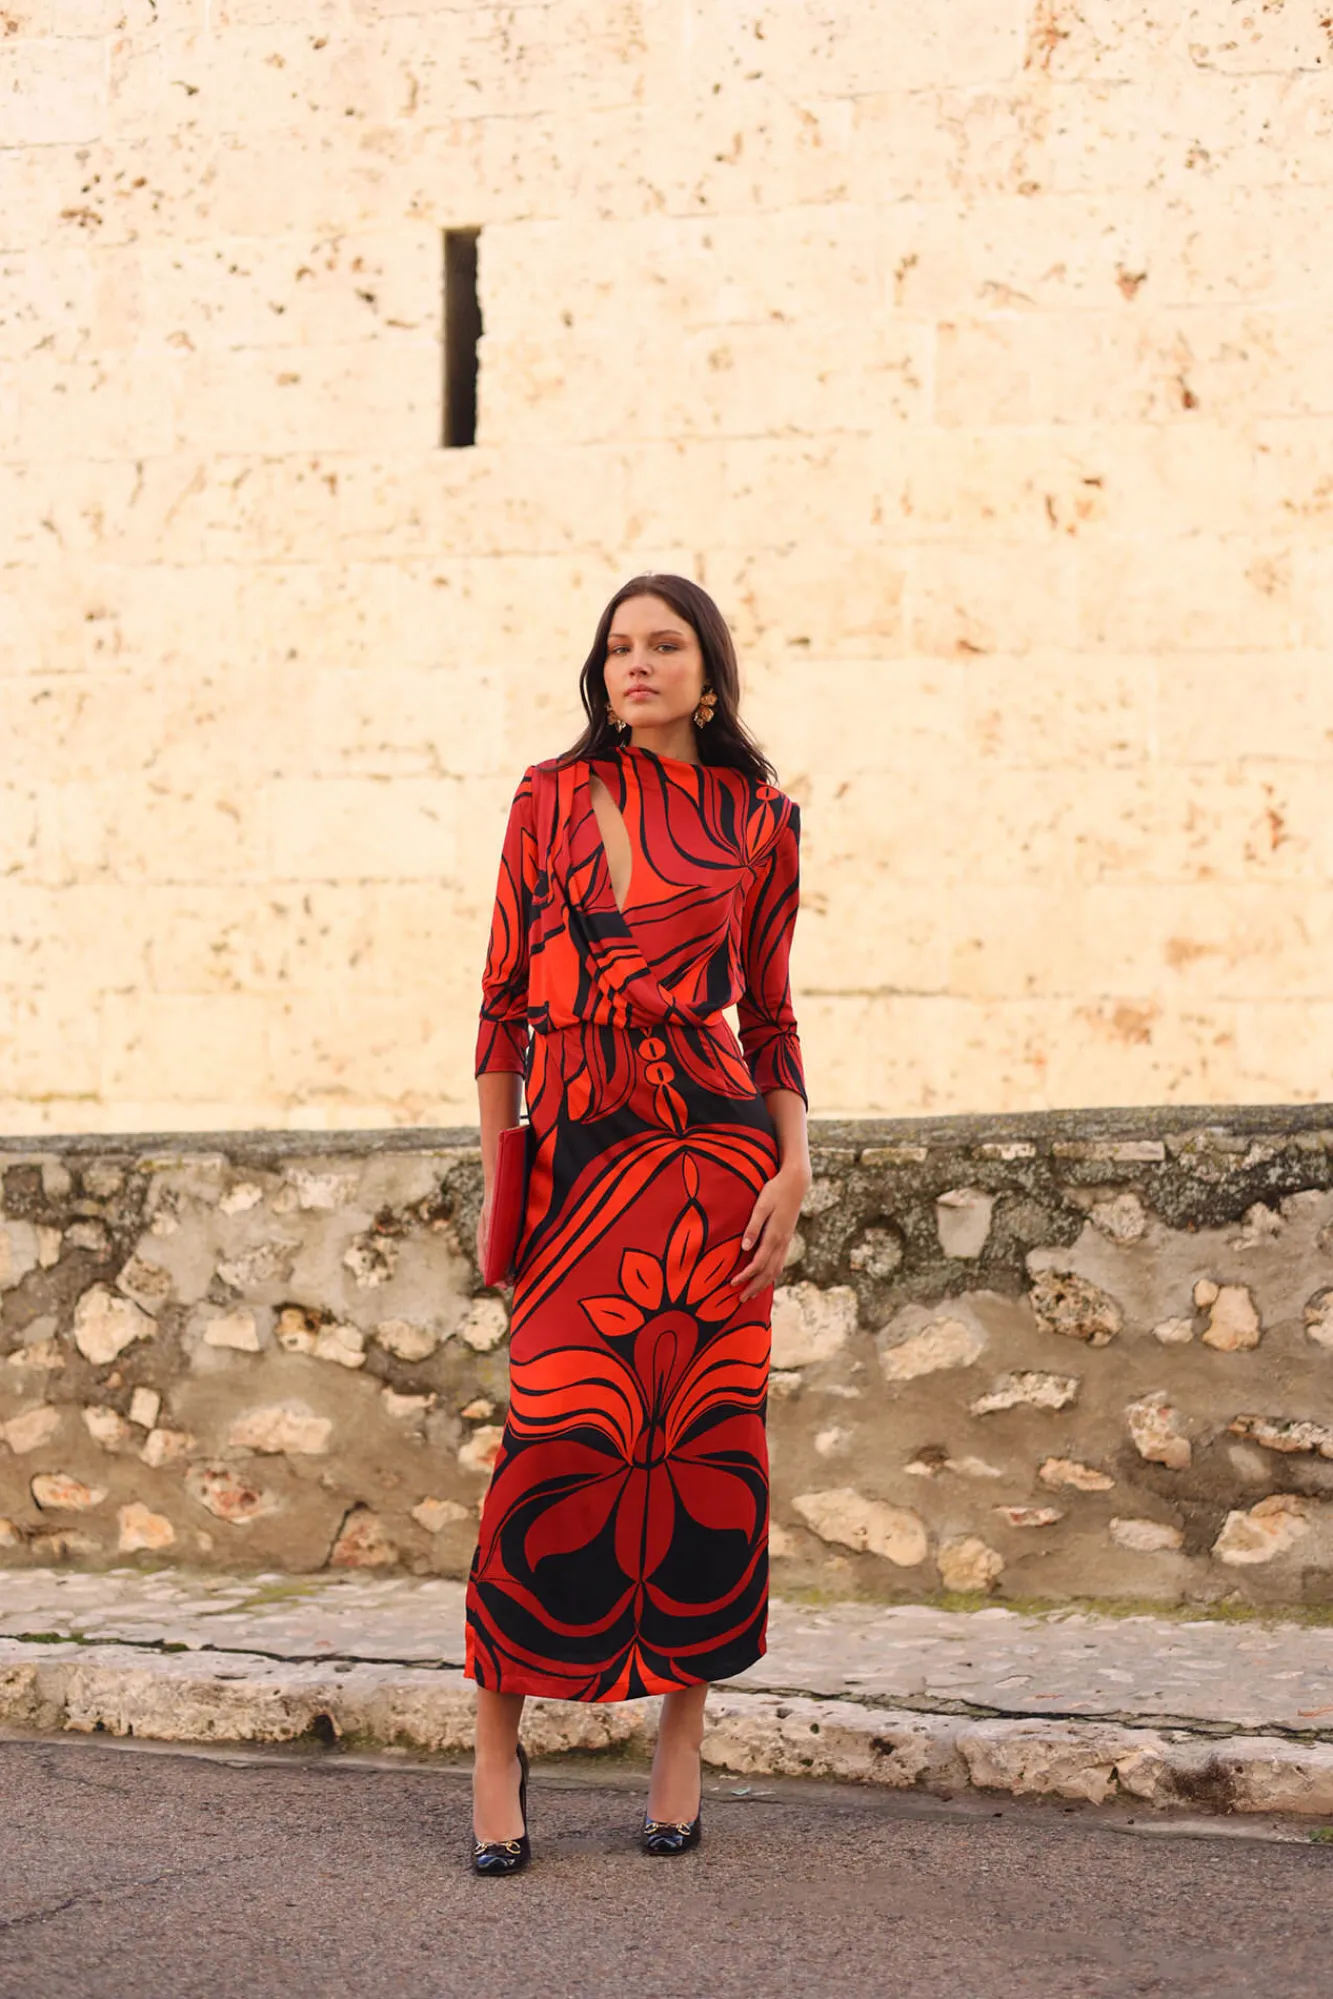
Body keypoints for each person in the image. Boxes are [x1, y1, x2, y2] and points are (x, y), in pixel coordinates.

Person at [466, 574, 811, 1873]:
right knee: (553, 1440)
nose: (638, 664)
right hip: (577, 1157)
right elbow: (501, 1010)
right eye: (619, 647)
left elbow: (768, 1012)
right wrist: (505, 1186)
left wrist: (796, 1167)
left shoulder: (760, 819)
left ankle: (682, 1733)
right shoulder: (546, 798)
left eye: (665, 645)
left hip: (718, 1156)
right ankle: (496, 1744)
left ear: (709, 674)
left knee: (706, 1441)